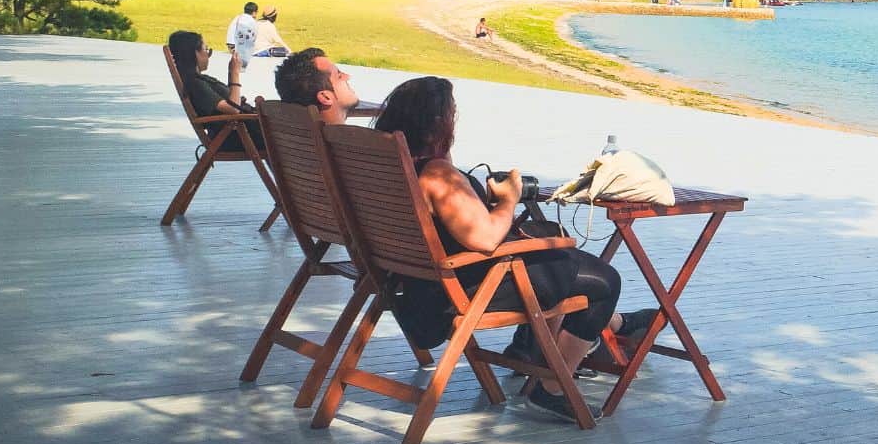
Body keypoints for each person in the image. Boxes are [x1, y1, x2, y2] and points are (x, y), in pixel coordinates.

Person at [373, 77, 653, 423]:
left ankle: (585, 335)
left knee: (567, 266)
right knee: (602, 280)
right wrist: (508, 200)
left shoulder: (387, 168)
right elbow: (485, 239)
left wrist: (470, 192)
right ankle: (551, 388)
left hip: (416, 284)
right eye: (451, 116)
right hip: (462, 287)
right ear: (437, 124)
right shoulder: (437, 174)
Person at [169, 30, 252, 116]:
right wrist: (235, 73)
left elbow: (232, 101)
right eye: (206, 49)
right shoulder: (195, 85)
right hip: (247, 124)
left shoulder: (201, 80)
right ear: (195, 53)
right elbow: (233, 108)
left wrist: (231, 73)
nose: (208, 55)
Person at [275, 47, 361, 124]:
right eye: (339, 76)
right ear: (325, 97)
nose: (347, 76)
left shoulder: (291, 136)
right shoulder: (359, 140)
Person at [226, 2, 259, 69]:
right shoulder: (251, 21)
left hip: (230, 45)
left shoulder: (238, 17)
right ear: (254, 12)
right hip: (238, 48)